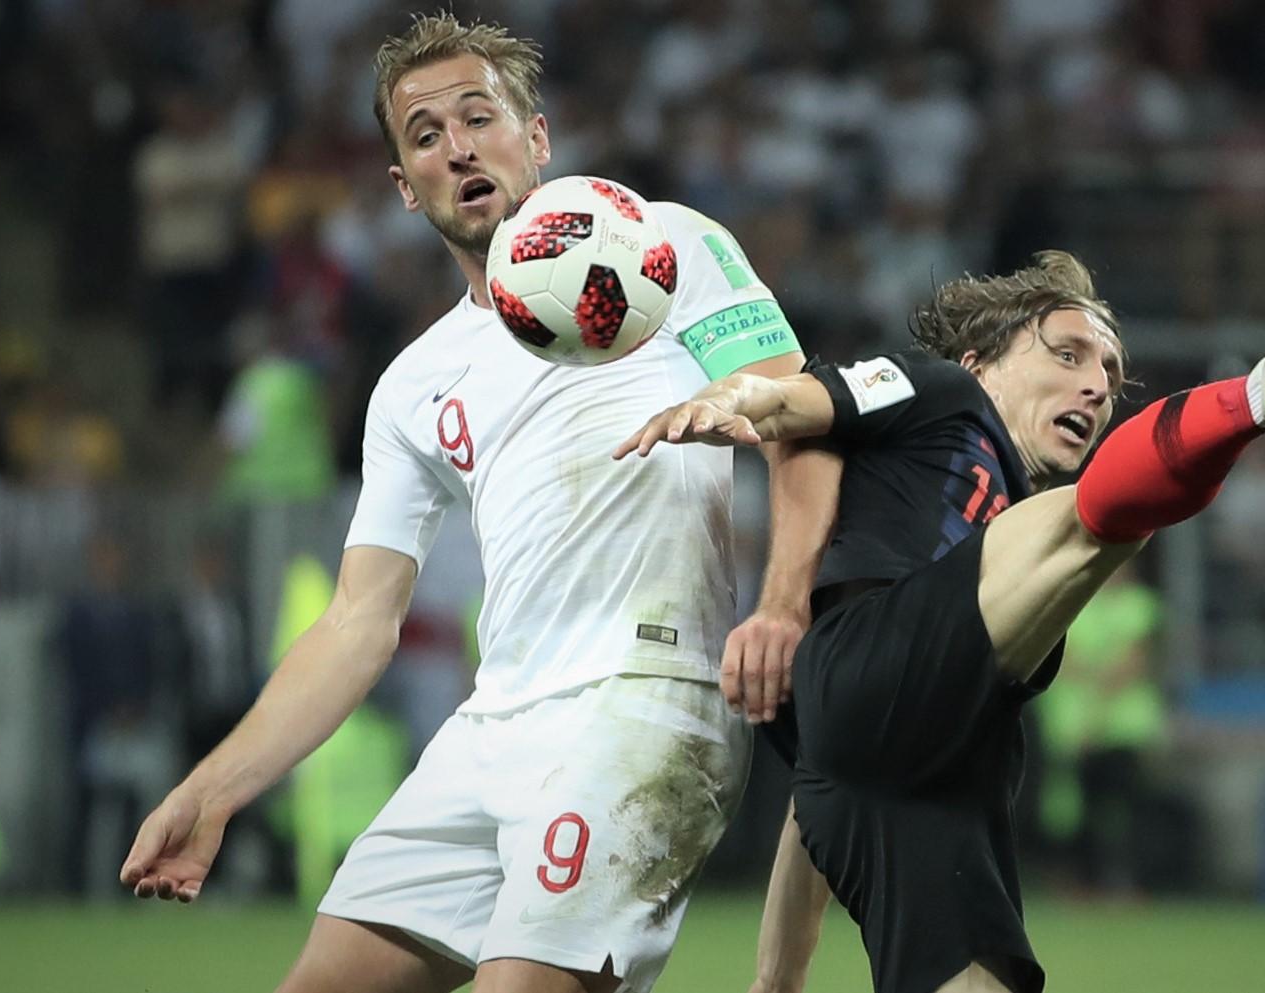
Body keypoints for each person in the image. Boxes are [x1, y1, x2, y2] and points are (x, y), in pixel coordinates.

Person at [120, 13, 823, 993]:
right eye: (424, 136)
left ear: (535, 140)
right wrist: (212, 789)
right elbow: (360, 620)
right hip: (493, 722)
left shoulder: (663, 247)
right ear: (406, 192)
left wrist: (783, 604)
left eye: (477, 116)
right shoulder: (414, 383)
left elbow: (807, 422)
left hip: (641, 709)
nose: (457, 145)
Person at [617, 220, 1265, 993]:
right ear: (980, 360)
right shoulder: (943, 392)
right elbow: (787, 400)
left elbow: (822, 790)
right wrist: (725, 397)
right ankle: (1264, 390)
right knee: (1100, 524)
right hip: (869, 653)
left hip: (933, 776)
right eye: (1067, 353)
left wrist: (774, 981)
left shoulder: (1018, 521)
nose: (1095, 384)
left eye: (1110, 371)